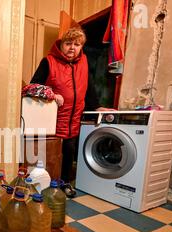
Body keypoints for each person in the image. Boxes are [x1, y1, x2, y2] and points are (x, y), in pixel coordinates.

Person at [30, 27, 113, 197]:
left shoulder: (83, 63)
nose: (72, 48)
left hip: (73, 119)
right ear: (61, 45)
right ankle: (44, 184)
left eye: (77, 44)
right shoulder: (49, 62)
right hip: (51, 119)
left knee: (69, 152)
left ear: (81, 47)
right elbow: (33, 86)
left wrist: (97, 106)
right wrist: (52, 95)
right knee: (49, 154)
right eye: (68, 43)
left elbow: (88, 88)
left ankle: (65, 182)